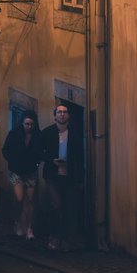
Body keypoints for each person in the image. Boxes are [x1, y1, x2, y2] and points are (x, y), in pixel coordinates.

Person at [39, 104, 84, 250]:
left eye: (65, 112)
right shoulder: (47, 133)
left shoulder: (75, 135)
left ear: (68, 116)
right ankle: (54, 237)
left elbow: (80, 156)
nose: (62, 115)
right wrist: (51, 160)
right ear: (55, 116)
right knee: (56, 206)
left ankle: (68, 239)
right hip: (53, 176)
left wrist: (80, 178)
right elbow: (39, 152)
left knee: (70, 208)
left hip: (70, 177)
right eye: (59, 112)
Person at [2, 113, 40, 239]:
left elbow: (41, 150)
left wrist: (37, 162)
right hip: (16, 170)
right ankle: (18, 221)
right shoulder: (14, 134)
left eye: (32, 124)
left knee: (30, 199)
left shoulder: (37, 136)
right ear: (22, 123)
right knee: (19, 198)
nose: (29, 127)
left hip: (31, 171)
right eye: (27, 124)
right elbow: (5, 150)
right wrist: (13, 160)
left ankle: (29, 228)